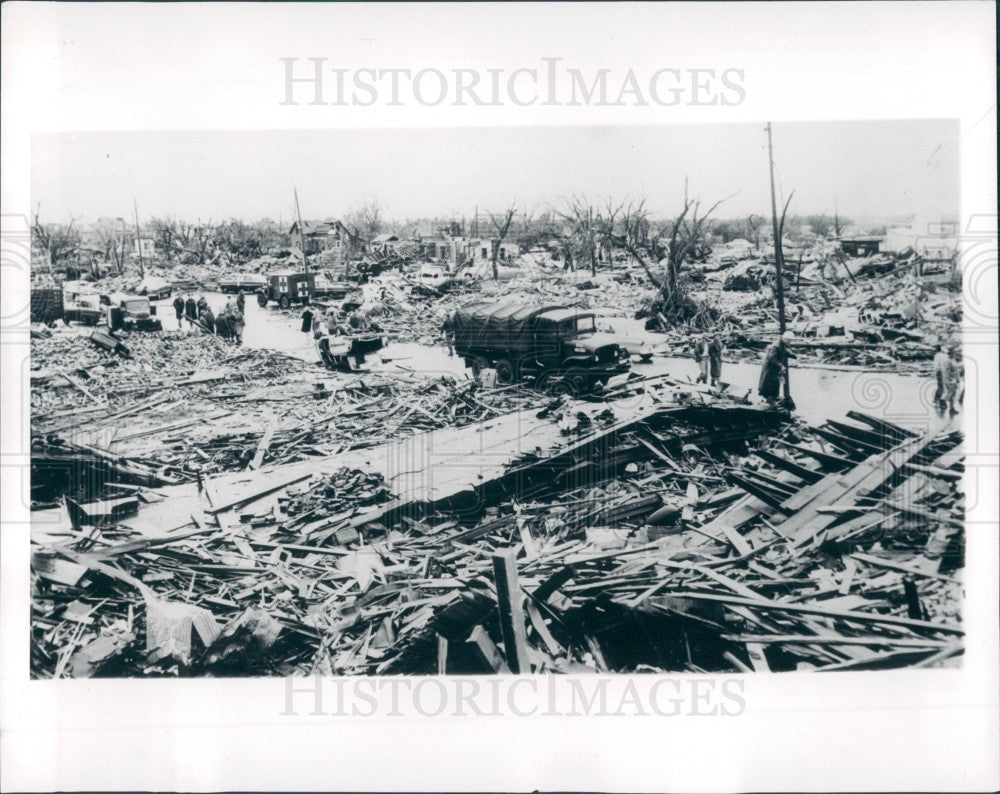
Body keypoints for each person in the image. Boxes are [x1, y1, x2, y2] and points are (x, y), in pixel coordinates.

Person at [759, 331, 794, 406]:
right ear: (785, 339)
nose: (790, 342)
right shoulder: (776, 346)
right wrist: (781, 365)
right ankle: (769, 399)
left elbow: (785, 352)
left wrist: (794, 356)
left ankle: (774, 397)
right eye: (789, 340)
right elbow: (772, 358)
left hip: (775, 367)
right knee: (769, 383)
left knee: (776, 383)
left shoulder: (782, 344)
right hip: (770, 367)